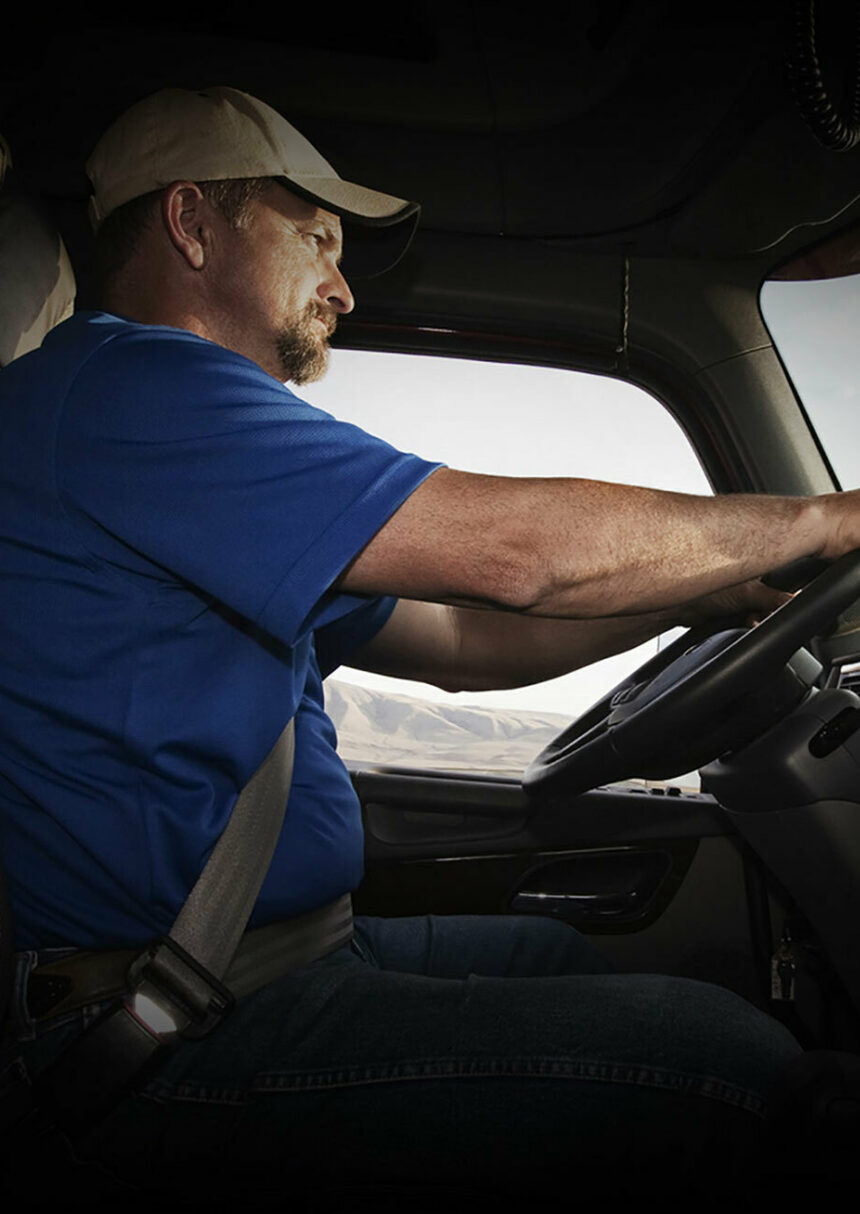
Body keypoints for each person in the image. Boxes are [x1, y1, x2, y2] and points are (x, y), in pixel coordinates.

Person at [1, 85, 858, 1205]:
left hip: (274, 959)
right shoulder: (132, 384)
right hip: (171, 1024)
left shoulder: (185, 463)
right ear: (191, 222)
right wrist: (824, 519)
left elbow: (461, 638)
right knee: (739, 1070)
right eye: (314, 238)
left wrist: (707, 594)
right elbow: (515, 557)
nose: (344, 285)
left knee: (566, 962)